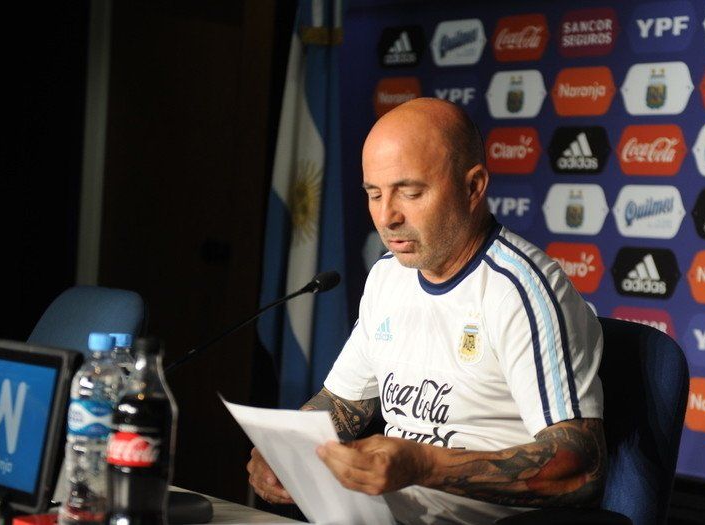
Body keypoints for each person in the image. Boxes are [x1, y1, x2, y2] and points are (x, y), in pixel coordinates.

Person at [248, 97, 606, 524]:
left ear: (473, 187)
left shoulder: (521, 291)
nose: (387, 217)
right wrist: (285, 449)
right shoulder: (387, 276)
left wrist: (424, 465)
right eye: (374, 194)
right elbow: (343, 402)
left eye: (410, 192)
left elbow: (581, 467)